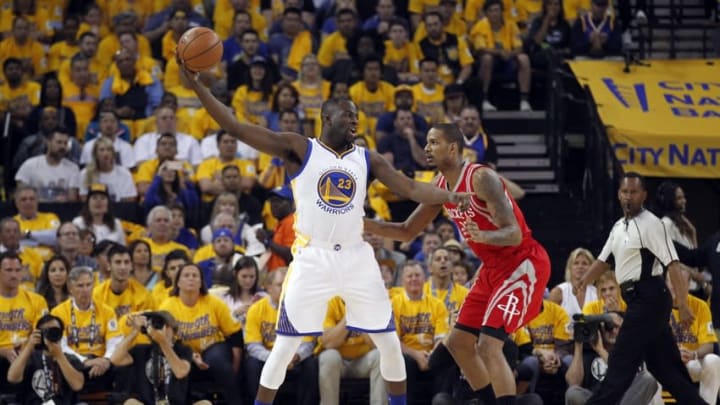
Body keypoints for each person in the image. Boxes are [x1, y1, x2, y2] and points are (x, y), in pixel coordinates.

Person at [183, 56, 471, 405]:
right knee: (286, 343)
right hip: (312, 258)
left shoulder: (368, 158)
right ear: (327, 117)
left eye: (357, 115)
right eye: (348, 114)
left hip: (356, 256)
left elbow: (411, 189)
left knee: (389, 342)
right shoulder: (299, 147)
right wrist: (198, 86)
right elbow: (236, 126)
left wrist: (450, 195)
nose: (355, 119)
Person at [364, 123, 550, 405]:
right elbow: (406, 231)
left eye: (433, 142)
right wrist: (361, 223)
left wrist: (483, 234)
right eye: (426, 142)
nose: (426, 148)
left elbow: (513, 233)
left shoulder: (481, 178)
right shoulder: (441, 187)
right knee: (458, 344)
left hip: (522, 263)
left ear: (452, 148)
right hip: (492, 267)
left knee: (488, 345)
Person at [575, 172, 707, 405]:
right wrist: (584, 281)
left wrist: (684, 305)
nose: (628, 197)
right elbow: (604, 259)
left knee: (620, 362)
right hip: (641, 300)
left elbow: (673, 265)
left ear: (644, 195)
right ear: (618, 194)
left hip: (650, 297)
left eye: (634, 192)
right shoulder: (618, 226)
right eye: (625, 191)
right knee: (667, 370)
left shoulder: (652, 224)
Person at [110, 311, 212, 405]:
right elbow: (115, 359)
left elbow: (180, 372)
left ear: (173, 329)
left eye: (166, 326)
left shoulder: (183, 350)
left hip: (178, 403)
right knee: (130, 402)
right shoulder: (141, 350)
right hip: (149, 403)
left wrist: (163, 342)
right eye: (157, 327)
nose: (163, 330)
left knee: (205, 404)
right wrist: (135, 331)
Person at [565, 311, 659, 405]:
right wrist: (578, 344)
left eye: (618, 327)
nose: (613, 331)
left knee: (648, 378)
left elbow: (628, 379)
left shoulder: (631, 351)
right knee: (572, 393)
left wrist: (601, 351)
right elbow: (573, 383)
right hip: (594, 401)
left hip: (624, 401)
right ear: (601, 328)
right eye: (609, 327)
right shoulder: (589, 350)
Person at [7, 314, 85, 404]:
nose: (51, 334)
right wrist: (29, 347)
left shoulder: (70, 358)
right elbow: (12, 378)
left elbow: (78, 385)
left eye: (55, 330)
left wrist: (59, 356)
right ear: (39, 334)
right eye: (46, 331)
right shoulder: (31, 357)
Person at [548, 247, 599, 320]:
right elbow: (546, 320)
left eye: (584, 263)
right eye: (576, 263)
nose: (580, 266)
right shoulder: (558, 292)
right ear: (570, 268)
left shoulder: (597, 293)